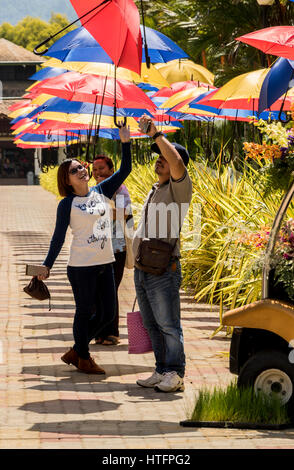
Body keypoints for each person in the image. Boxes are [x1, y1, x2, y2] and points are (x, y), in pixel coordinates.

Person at [38, 124, 132, 374]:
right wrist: (47, 265)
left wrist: (126, 142)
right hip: (81, 268)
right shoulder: (67, 204)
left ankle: (77, 350)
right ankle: (84, 357)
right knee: (84, 311)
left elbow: (126, 170)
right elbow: (58, 238)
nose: (81, 170)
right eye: (74, 170)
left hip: (106, 263)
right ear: (66, 180)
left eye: (81, 166)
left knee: (107, 314)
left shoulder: (102, 191)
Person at [134, 114, 192, 393]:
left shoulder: (179, 189)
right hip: (144, 268)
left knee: (169, 324)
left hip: (164, 269)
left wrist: (157, 134)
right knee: (152, 324)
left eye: (164, 157)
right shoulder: (155, 188)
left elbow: (178, 162)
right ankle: (161, 369)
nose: (159, 159)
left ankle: (175, 372)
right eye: (157, 156)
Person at [92, 154, 133, 346]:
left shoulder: (120, 190)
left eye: (101, 168)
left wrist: (100, 208)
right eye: (95, 170)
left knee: (110, 291)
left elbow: (121, 214)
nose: (98, 172)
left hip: (117, 249)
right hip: (98, 249)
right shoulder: (94, 192)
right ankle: (99, 332)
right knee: (99, 291)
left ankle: (112, 333)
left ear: (111, 170)